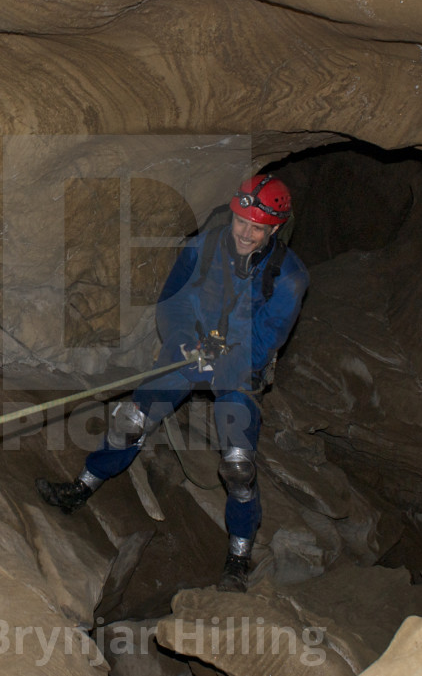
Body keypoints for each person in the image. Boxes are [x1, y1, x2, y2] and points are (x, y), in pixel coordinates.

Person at [36, 174, 309, 593]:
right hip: (191, 351)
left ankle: (238, 556)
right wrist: (183, 339)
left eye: (257, 228)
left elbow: (267, 339)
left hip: (239, 369)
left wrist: (225, 360)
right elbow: (173, 301)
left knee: (238, 467)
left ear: (274, 229)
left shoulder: (289, 277)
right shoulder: (201, 248)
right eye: (241, 222)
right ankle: (82, 486)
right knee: (130, 421)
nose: (245, 234)